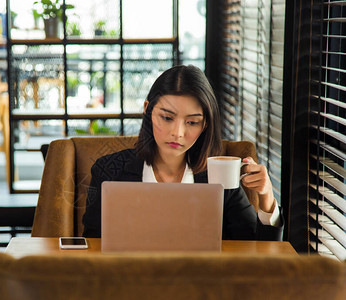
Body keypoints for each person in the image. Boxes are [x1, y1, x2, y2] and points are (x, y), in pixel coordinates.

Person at [82, 65, 283, 240]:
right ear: (148, 110)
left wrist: (266, 197)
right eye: (167, 118)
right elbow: (93, 245)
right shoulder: (109, 170)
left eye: (192, 122)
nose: (177, 133)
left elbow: (257, 250)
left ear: (205, 125)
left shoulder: (219, 175)